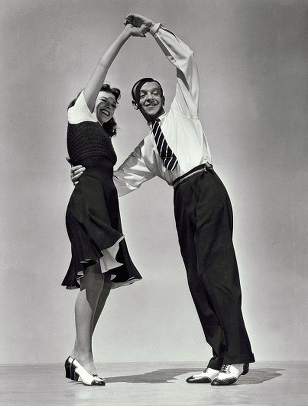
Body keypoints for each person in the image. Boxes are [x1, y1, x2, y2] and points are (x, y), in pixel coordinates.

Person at [71, 14, 255, 386]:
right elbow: (119, 181)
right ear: (137, 107)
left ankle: (238, 357)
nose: (151, 98)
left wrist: (154, 30)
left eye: (156, 92)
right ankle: (219, 357)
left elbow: (185, 59)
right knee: (196, 277)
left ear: (165, 97)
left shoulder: (184, 111)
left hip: (205, 186)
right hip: (181, 199)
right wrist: (86, 176)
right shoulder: (148, 148)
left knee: (218, 272)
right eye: (143, 97)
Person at [63, 22, 145, 386]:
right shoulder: (78, 114)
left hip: (105, 205)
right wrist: (126, 35)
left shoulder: (102, 139)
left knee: (106, 281)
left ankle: (79, 354)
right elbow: (102, 67)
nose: (109, 105)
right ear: (86, 100)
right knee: (92, 277)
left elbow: (106, 174)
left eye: (114, 104)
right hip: (86, 206)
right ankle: (83, 358)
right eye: (103, 100)